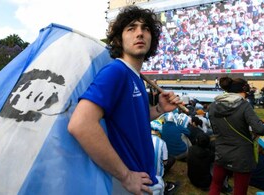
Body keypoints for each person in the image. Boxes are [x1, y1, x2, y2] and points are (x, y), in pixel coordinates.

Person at [68, 6, 181, 195]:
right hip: (128, 185)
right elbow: (80, 124)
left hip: (146, 178)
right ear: (120, 39)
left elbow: (132, 123)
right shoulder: (116, 71)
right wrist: (126, 176)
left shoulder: (134, 76)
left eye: (145, 28)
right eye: (131, 28)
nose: (140, 33)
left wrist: (159, 109)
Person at [208, 76, 264, 195]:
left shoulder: (213, 105)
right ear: (243, 91)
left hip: (221, 151)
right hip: (242, 155)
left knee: (215, 185)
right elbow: (260, 129)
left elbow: (215, 129)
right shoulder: (244, 105)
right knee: (240, 191)